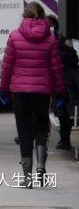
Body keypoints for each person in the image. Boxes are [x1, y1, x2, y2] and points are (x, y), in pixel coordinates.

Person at [0, 2, 65, 188]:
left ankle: (27, 178)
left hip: (20, 93)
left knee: (24, 130)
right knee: (41, 127)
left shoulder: (14, 36)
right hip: (42, 92)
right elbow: (55, 69)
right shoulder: (50, 39)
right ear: (43, 16)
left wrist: (3, 89)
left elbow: (7, 67)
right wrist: (59, 92)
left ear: (24, 16)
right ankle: (41, 166)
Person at [46, 15, 79, 150]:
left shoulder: (63, 41)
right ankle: (63, 139)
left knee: (63, 110)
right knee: (60, 111)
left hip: (64, 80)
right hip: (56, 80)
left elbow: (72, 58)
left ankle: (65, 140)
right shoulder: (50, 41)